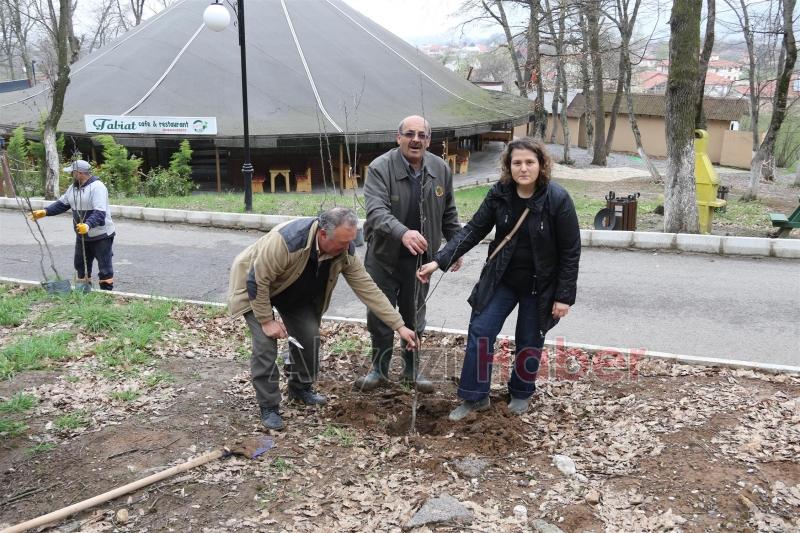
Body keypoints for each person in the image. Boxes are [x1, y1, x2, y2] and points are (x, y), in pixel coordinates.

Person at [417, 138, 580, 420]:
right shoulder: (500, 193)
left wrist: (563, 296)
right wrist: (438, 260)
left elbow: (570, 251)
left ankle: (521, 392)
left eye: (530, 162)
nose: (523, 168)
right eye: (517, 163)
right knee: (481, 331)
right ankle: (474, 396)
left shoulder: (557, 198)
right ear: (509, 166)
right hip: (501, 278)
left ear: (541, 165)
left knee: (529, 339)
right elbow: (474, 229)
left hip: (539, 285)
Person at [228, 207, 418, 430]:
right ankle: (268, 406)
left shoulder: (344, 250)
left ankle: (300, 388)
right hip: (254, 288)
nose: (345, 248)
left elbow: (368, 289)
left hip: (292, 290)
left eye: (349, 243)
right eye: (341, 242)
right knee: (265, 345)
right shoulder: (287, 242)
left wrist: (399, 326)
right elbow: (257, 280)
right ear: (322, 234)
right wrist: (267, 321)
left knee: (309, 336)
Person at [354, 115, 462, 394]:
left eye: (422, 135)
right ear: (398, 137)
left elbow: (448, 211)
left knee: (414, 315)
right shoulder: (380, 168)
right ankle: (379, 369)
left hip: (420, 262)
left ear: (429, 140)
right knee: (380, 315)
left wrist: (454, 246)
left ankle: (412, 371)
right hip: (384, 257)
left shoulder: (439, 168)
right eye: (410, 134)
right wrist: (402, 232)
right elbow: (376, 212)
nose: (416, 139)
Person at [30, 160, 116, 290]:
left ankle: (107, 293)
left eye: (72, 172)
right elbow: (62, 204)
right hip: (82, 234)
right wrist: (45, 211)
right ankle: (84, 291)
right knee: (80, 264)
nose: (71, 175)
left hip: (101, 234)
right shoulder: (73, 188)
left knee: (104, 266)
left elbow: (100, 213)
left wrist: (87, 225)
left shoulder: (98, 187)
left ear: (80, 173)